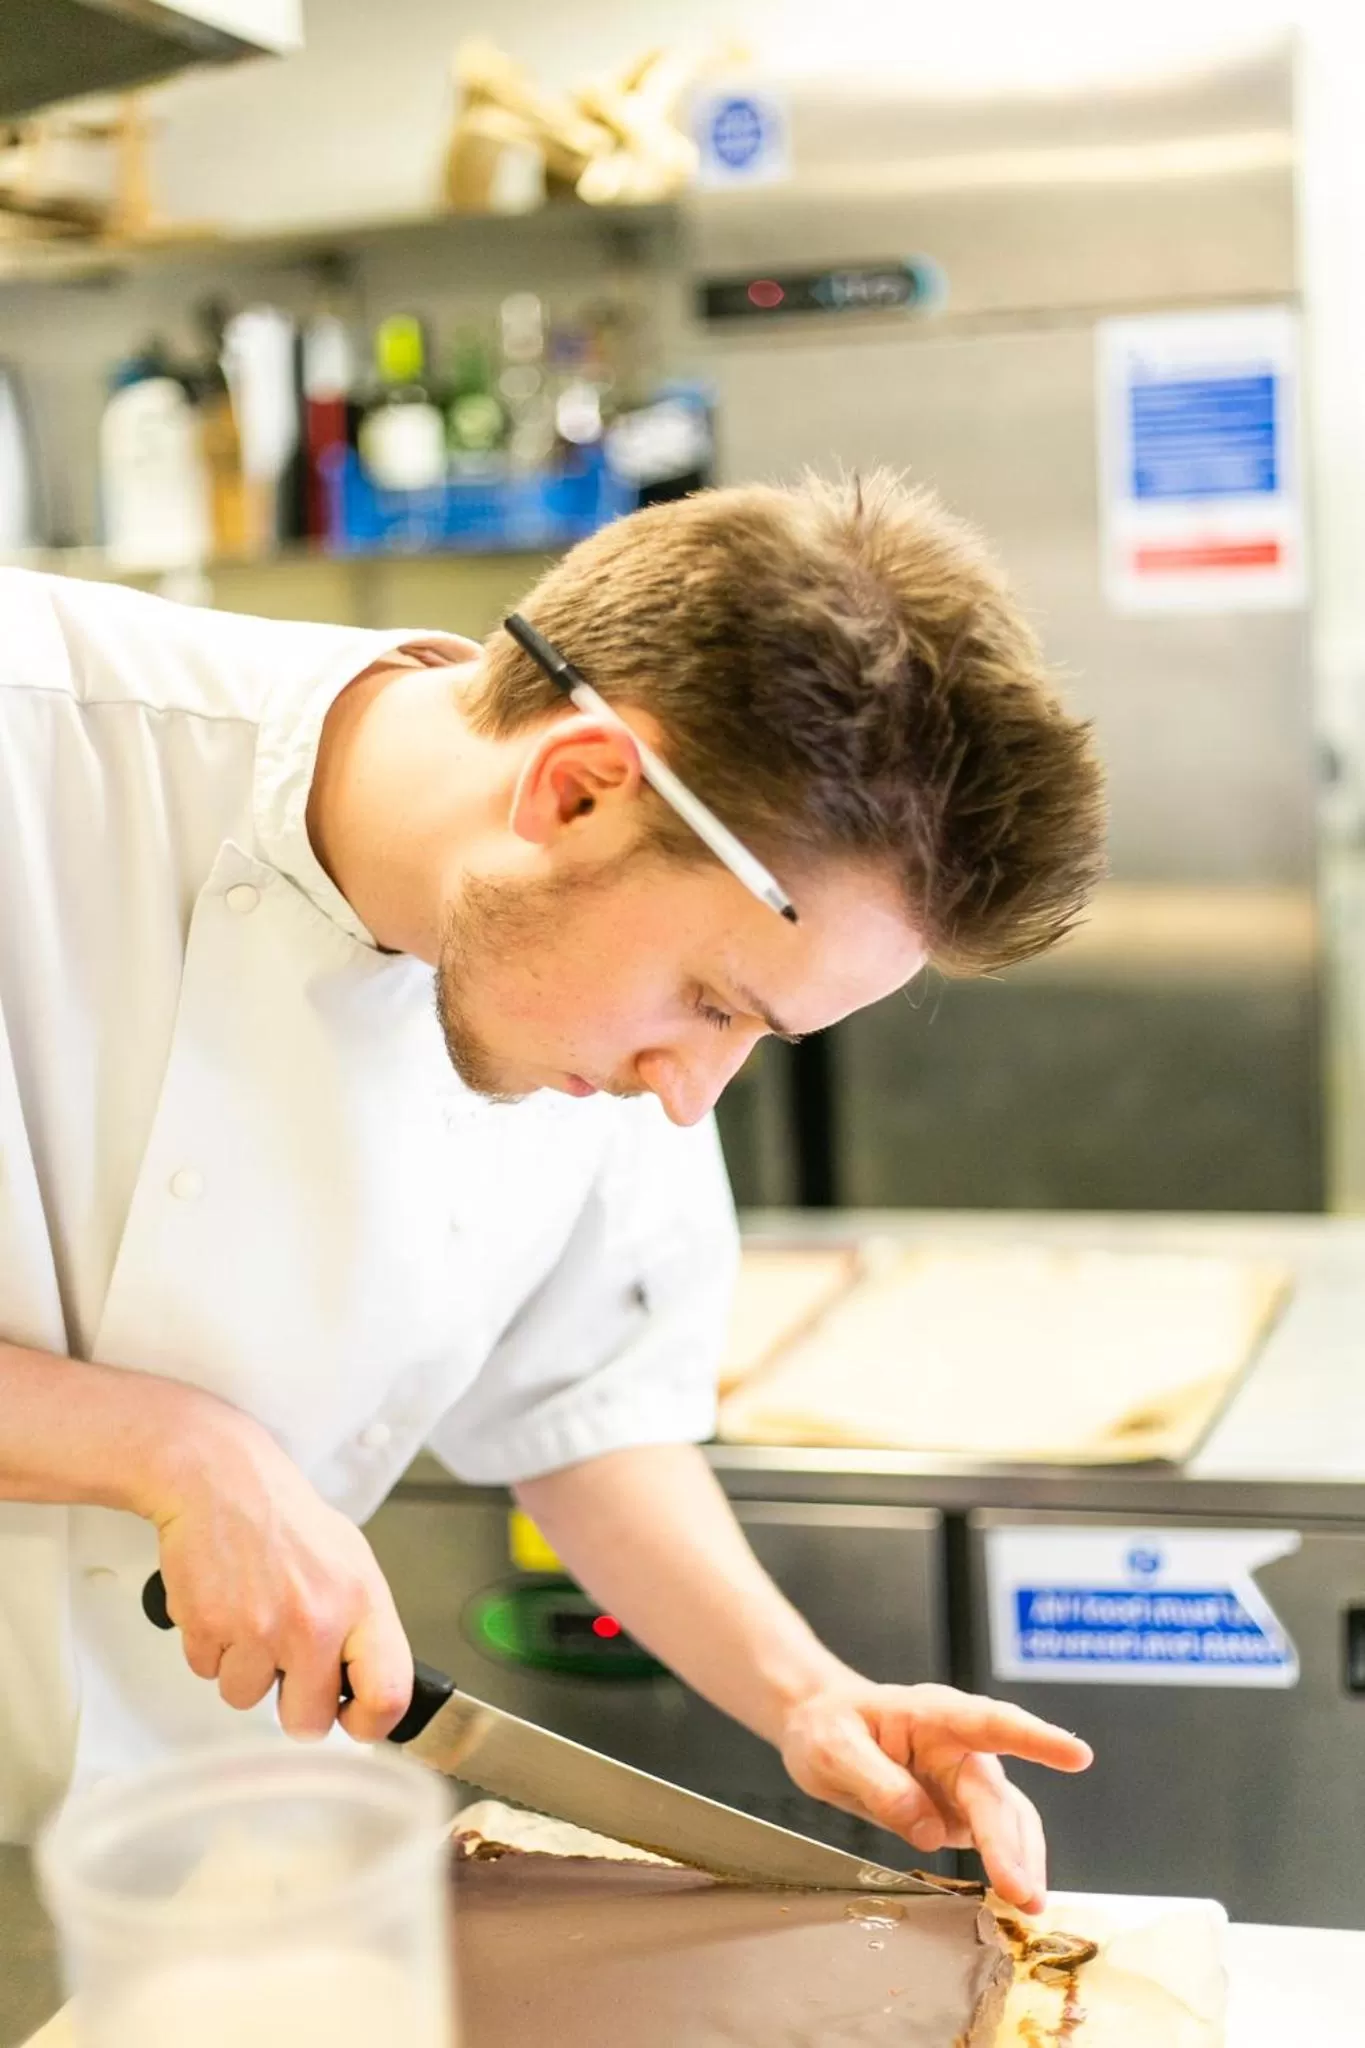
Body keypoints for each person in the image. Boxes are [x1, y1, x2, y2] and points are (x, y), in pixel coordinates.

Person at [0, 471, 1105, 1911]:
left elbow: (586, 1406)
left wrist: (806, 1694)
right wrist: (175, 1452)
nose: (690, 1090)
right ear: (574, 786)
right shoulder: (37, 744)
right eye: (712, 1002)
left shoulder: (594, 998)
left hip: (174, 1842)